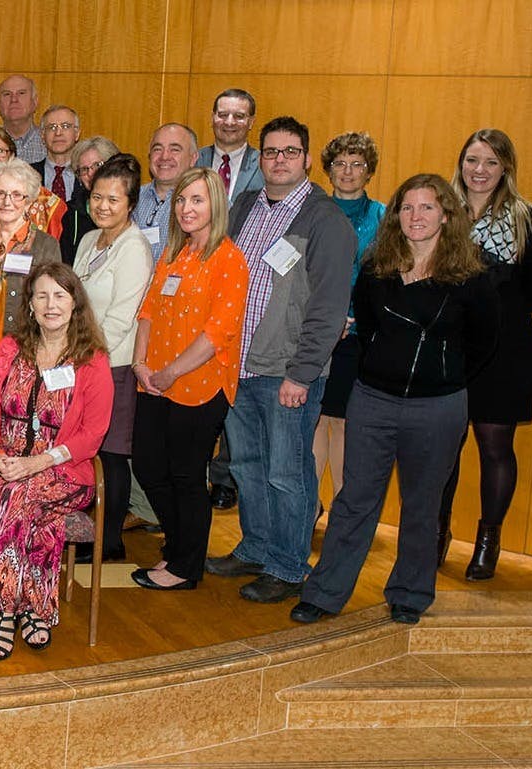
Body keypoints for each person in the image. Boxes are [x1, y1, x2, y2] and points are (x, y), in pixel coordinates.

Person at [294, 174, 499, 626]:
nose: (416, 217)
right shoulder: (376, 267)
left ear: (446, 214)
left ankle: (409, 593)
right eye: (407, 208)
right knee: (354, 500)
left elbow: (485, 343)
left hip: (438, 408)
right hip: (373, 401)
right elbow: (368, 331)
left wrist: (444, 378)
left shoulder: (472, 276)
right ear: (396, 216)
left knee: (423, 504)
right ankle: (325, 592)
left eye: (427, 208)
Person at [205, 117, 356, 605]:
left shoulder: (325, 220)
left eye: (290, 152)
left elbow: (330, 309)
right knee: (247, 467)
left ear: (308, 159)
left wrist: (303, 373)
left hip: (286, 373)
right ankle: (256, 546)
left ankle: (290, 566)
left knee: (286, 472)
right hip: (237, 367)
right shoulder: (245, 206)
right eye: (270, 152)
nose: (279, 160)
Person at [0, 261, 112, 660]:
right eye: (41, 295)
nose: (50, 304)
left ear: (75, 303)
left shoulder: (91, 360)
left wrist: (37, 463)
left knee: (16, 498)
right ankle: (32, 606)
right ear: (29, 305)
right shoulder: (9, 349)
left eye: (60, 295)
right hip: (2, 455)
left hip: (63, 467)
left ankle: (4, 612)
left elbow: (91, 435)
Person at [441, 128, 532, 581]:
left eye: (491, 161)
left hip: (505, 348)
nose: (480, 170)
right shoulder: (440, 212)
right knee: (443, 447)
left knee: (494, 445)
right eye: (472, 160)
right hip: (447, 346)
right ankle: (434, 534)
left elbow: (529, 294)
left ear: (506, 166)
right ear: (461, 163)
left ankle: (487, 541)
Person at [130, 167, 249, 590]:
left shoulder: (229, 259)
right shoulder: (174, 254)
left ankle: (186, 566)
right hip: (153, 380)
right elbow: (146, 311)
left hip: (199, 386)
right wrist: (141, 363)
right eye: (181, 200)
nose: (186, 208)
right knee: (146, 463)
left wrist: (169, 373)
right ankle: (178, 547)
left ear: (215, 204)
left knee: (185, 475)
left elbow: (218, 334)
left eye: (196, 200)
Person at [73, 154, 154, 562]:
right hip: (80, 361)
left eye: (113, 200)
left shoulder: (134, 248)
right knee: (86, 449)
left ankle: (110, 543)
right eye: (97, 197)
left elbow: (122, 318)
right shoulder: (89, 240)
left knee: (112, 454)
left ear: (131, 204)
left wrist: (81, 355)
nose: (102, 206)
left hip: (113, 366)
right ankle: (92, 531)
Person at [311, 132, 384, 523]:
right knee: (315, 419)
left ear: (369, 171)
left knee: (342, 422)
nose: (348, 171)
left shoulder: (383, 217)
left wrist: (357, 318)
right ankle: (309, 506)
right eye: (340, 164)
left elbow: (389, 275)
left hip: (359, 335)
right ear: (329, 170)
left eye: (357, 164)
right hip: (317, 331)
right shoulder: (314, 211)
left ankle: (342, 510)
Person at [0, 159, 66, 339]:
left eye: (16, 195)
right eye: (0, 193)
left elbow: (51, 302)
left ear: (28, 202)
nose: (7, 202)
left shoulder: (46, 245)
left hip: (23, 345)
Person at [136, 123, 200, 259]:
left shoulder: (208, 204)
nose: (164, 156)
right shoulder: (131, 198)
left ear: (193, 158)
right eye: (157, 149)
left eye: (175, 149)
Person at [32, 106, 89, 256]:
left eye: (65, 126)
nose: (58, 133)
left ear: (77, 133)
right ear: (42, 135)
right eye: (52, 127)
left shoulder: (90, 175)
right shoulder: (28, 176)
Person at [199, 89, 263, 201]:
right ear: (212, 118)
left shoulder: (263, 164)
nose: (229, 122)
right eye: (223, 115)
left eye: (239, 116)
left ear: (251, 122)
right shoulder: (193, 160)